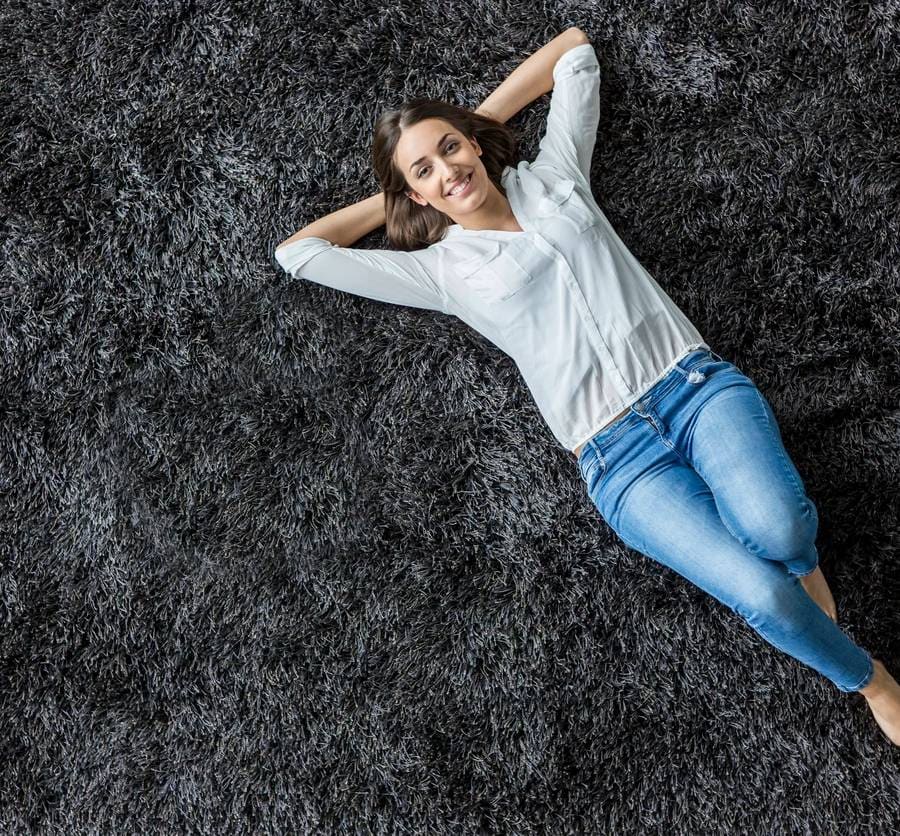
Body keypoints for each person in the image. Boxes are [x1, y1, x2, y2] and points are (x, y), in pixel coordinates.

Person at [275, 28, 900, 745]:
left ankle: (802, 565)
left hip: (693, 389)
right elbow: (300, 254)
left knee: (781, 530)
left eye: (451, 147)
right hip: (618, 459)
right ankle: (872, 681)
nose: (447, 169)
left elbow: (572, 50)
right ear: (409, 193)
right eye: (422, 171)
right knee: (758, 592)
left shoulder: (556, 176)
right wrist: (404, 193)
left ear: (475, 142)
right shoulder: (437, 271)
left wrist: (471, 129)